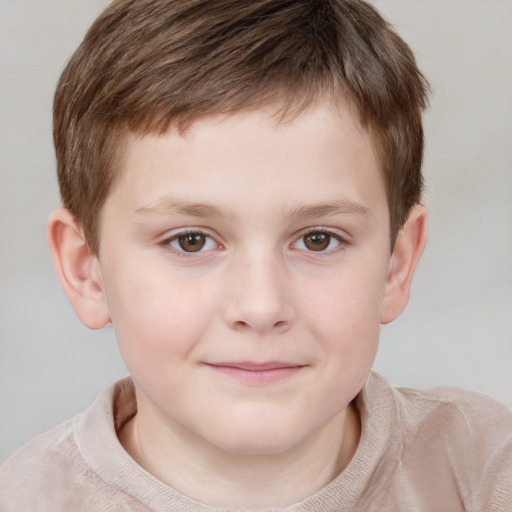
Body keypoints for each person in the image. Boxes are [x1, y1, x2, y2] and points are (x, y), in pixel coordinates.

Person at [0, 0, 510, 510]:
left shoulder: (483, 470)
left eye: (318, 239)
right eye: (191, 241)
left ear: (395, 265)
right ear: (86, 270)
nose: (261, 307)